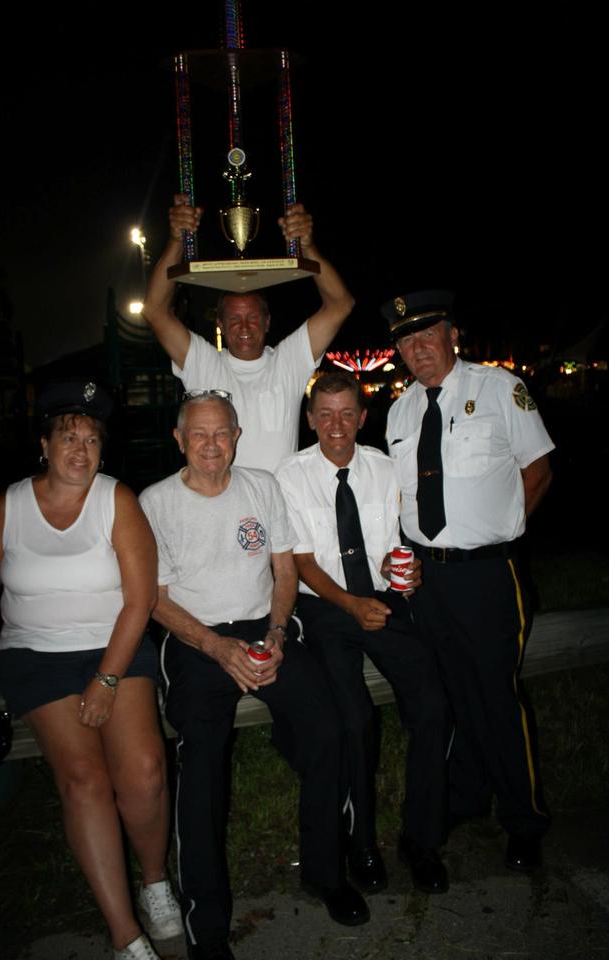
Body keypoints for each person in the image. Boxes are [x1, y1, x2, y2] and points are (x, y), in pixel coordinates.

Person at [139, 391, 369, 960]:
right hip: (195, 638)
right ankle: (207, 926)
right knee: (202, 765)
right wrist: (217, 647)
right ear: (179, 439)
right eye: (199, 434)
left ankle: (324, 870)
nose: (212, 445)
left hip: (264, 632)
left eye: (222, 433)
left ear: (237, 436)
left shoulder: (261, 485)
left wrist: (276, 629)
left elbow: (284, 567)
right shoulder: (156, 502)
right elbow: (156, 600)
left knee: (328, 730)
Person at [0, 380, 182, 960]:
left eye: (92, 439)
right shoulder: (7, 507)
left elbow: (139, 602)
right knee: (84, 781)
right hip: (34, 657)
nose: (81, 448)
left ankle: (156, 882)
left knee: (143, 770)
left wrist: (107, 678)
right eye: (69, 436)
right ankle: (124, 934)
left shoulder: (117, 501)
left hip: (115, 644)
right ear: (44, 444)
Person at [384, 290, 554, 873]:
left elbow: (538, 470)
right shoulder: (400, 409)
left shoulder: (500, 389)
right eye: (406, 339)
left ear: (452, 333)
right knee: (452, 698)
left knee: (497, 698)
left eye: (427, 333)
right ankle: (466, 798)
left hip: (487, 576)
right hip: (428, 580)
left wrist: (502, 532)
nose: (417, 347)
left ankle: (524, 820)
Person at [275, 371, 451, 896]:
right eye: (325, 414)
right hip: (326, 606)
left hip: (383, 600)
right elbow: (302, 562)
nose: (336, 425)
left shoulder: (384, 467)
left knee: (434, 707)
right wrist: (351, 605)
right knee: (354, 720)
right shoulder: (289, 476)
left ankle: (421, 839)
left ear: (362, 416)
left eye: (346, 413)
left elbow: (397, 542)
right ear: (310, 420)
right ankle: (361, 843)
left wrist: (410, 571)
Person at [142, 196, 354, 471]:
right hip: (219, 501)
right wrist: (175, 242)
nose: (244, 328)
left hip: (279, 506)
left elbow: (341, 304)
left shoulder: (288, 360)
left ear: (267, 322)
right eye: (234, 319)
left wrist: (308, 247)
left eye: (253, 318)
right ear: (219, 324)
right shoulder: (203, 362)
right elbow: (154, 311)